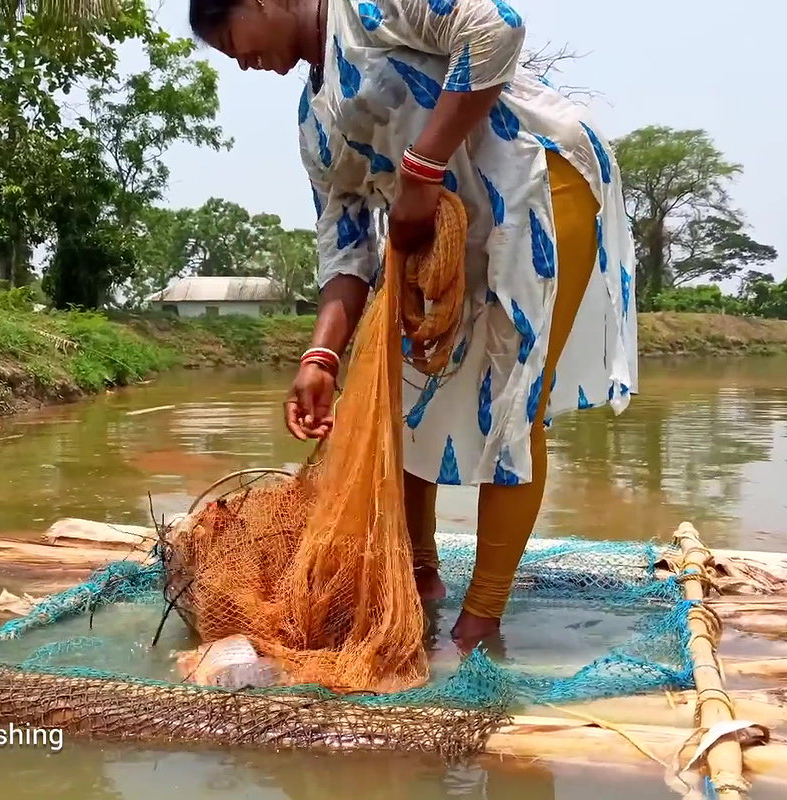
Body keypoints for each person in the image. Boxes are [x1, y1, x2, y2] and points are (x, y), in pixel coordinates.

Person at [188, 0, 638, 649]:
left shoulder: (366, 9)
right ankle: (418, 579)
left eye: (233, 39)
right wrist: (321, 357)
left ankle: (482, 619)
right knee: (396, 394)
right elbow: (345, 246)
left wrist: (422, 170)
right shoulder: (313, 123)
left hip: (537, 185)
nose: (241, 61)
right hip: (435, 236)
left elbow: (496, 28)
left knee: (515, 403)